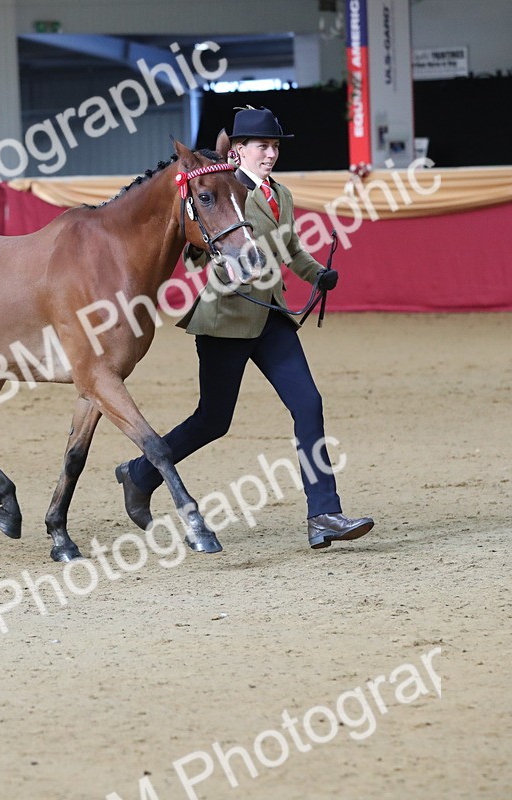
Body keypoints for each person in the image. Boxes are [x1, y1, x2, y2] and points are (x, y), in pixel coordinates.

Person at [116, 106, 374, 550]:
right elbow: (195, 251)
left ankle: (323, 514)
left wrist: (316, 275)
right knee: (213, 420)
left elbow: (291, 248)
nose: (270, 154)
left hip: (270, 316)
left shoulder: (281, 195)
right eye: (262, 147)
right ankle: (139, 473)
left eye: (274, 147)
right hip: (226, 321)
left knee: (308, 405)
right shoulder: (217, 190)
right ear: (237, 151)